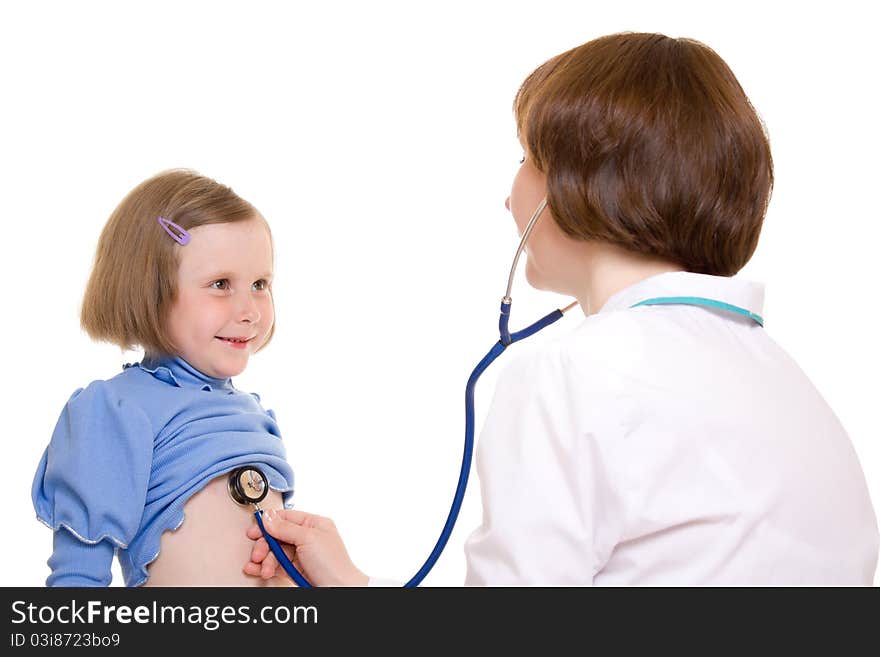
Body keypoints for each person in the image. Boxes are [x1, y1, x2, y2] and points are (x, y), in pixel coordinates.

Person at [243, 32, 879, 586]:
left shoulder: (572, 371)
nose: (507, 196)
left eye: (525, 159)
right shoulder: (792, 389)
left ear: (574, 184)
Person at [31, 169, 296, 586]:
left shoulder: (255, 415)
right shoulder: (116, 411)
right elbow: (79, 577)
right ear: (147, 291)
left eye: (260, 283)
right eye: (221, 284)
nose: (250, 311)